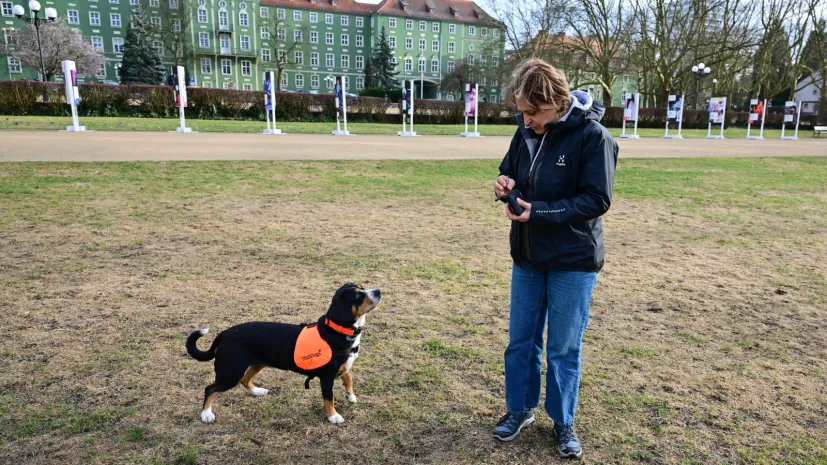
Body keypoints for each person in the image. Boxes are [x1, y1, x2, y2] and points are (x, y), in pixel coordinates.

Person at [492, 59, 618, 459]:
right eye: (522, 112)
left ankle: (563, 421)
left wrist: (539, 212)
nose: (526, 121)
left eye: (533, 112)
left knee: (563, 349)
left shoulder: (593, 137)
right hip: (527, 256)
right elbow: (511, 169)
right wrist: (504, 184)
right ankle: (519, 410)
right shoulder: (525, 129)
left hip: (573, 261)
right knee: (521, 342)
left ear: (558, 101)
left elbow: (597, 199)